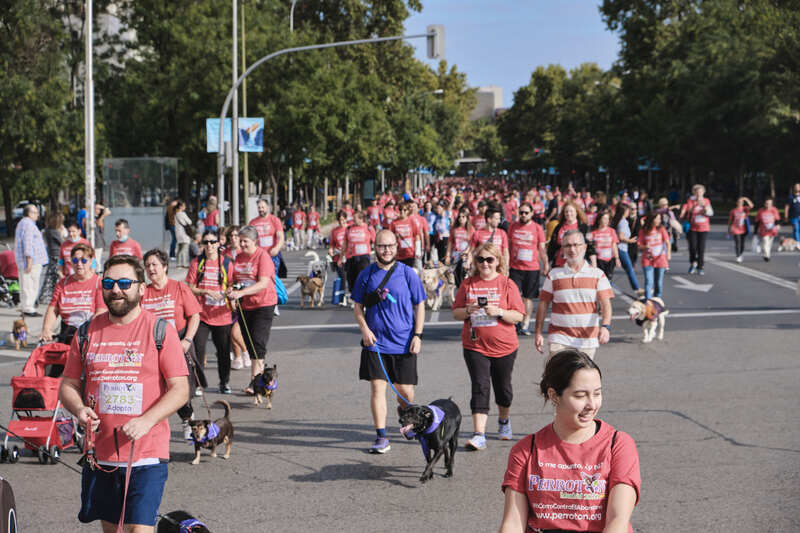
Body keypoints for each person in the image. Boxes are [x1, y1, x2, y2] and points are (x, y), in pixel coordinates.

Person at [59, 254, 189, 531]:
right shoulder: (85, 333)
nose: (116, 289)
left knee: (137, 529)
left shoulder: (160, 331)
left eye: (124, 282)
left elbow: (180, 390)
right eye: (109, 282)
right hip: (101, 453)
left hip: (147, 454)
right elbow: (68, 385)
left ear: (141, 288)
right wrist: (79, 409)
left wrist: (145, 421)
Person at [499, 350, 641, 533]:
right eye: (580, 396)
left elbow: (618, 521)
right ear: (554, 395)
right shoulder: (526, 450)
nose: (591, 405)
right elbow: (512, 523)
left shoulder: (618, 444)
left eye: (597, 394)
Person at [351, 229, 426, 454]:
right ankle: (381, 436)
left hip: (404, 342)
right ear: (374, 247)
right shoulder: (366, 275)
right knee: (377, 388)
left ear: (397, 247)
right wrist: (364, 330)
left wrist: (418, 335)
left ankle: (405, 414)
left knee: (406, 394)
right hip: (376, 343)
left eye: (391, 246)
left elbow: (420, 304)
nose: (387, 250)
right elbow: (357, 306)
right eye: (382, 246)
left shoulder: (407, 273)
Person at [453, 243, 524, 450]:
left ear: (498, 261)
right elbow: (456, 313)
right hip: (475, 346)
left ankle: (503, 421)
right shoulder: (468, 284)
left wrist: (499, 311)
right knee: (480, 386)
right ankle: (479, 434)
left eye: (489, 259)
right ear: (475, 262)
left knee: (503, 389)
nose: (485, 263)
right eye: (480, 259)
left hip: (505, 346)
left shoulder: (507, 284)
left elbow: (518, 315)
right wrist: (468, 310)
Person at [535, 230, 613, 360]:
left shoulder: (598, 275)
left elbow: (606, 305)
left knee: (581, 379)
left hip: (587, 340)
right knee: (560, 377)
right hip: (559, 337)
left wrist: (605, 327)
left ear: (585, 247)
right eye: (567, 245)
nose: (572, 249)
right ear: (563, 249)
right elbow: (543, 305)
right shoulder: (554, 275)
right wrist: (538, 332)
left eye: (576, 245)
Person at [227, 225, 277, 393]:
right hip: (245, 305)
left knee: (258, 343)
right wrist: (232, 292)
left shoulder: (263, 257)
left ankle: (256, 383)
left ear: (255, 241)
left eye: (245, 241)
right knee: (249, 343)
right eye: (240, 241)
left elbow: (263, 283)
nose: (241, 244)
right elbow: (234, 279)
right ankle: (261, 380)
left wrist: (241, 293)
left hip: (264, 303)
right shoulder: (239, 257)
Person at [185, 231, 235, 394]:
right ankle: (199, 384)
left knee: (223, 351)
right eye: (206, 242)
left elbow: (233, 285)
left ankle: (224, 382)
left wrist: (230, 293)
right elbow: (190, 287)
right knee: (198, 351)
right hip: (201, 314)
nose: (209, 245)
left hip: (223, 315)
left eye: (213, 242)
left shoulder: (227, 263)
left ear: (218, 244)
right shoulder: (197, 263)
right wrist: (206, 291)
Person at [40, 244, 106, 344]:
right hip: (67, 332)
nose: (79, 264)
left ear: (91, 261)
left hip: (90, 331)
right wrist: (46, 329)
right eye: (75, 260)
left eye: (83, 260)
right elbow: (53, 308)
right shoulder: (63, 283)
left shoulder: (99, 283)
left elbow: (101, 312)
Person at [507, 202, 548, 336]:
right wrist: (505, 263)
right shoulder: (513, 226)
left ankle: (525, 323)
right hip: (515, 267)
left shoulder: (537, 228)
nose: (523, 215)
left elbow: (541, 248)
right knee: (514, 295)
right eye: (521, 213)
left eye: (526, 213)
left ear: (531, 214)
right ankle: (516, 320)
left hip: (532, 268)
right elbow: (507, 246)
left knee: (528, 298)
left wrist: (546, 264)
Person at [14, 204, 48, 317]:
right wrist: (29, 261)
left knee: (27, 284)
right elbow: (28, 243)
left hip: (31, 261)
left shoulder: (24, 224)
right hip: (31, 262)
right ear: (29, 213)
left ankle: (26, 306)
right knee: (30, 285)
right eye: (35, 212)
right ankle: (28, 308)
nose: (37, 214)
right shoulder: (28, 225)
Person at [546, 201, 596, 269]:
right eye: (566, 211)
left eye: (571, 211)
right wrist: (547, 263)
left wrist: (594, 263)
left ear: (576, 212)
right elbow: (552, 246)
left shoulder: (583, 227)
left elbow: (590, 246)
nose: (569, 213)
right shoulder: (558, 227)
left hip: (578, 265)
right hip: (560, 264)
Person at [342, 212, 375, 304]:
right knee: (351, 278)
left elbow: (375, 241)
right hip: (351, 256)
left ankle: (363, 298)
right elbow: (345, 243)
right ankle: (354, 297)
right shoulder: (349, 228)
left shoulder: (368, 228)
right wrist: (341, 257)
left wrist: (377, 256)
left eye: (355, 218)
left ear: (361, 219)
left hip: (363, 256)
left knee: (362, 277)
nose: (353, 220)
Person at [679, 184, 713, 275]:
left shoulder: (706, 201)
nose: (699, 194)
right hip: (693, 227)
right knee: (692, 247)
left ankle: (700, 267)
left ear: (703, 192)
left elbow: (710, 213)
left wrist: (705, 206)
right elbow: (689, 211)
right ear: (694, 193)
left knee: (701, 248)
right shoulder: (691, 200)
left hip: (704, 227)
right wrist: (696, 204)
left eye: (700, 192)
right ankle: (693, 262)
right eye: (697, 192)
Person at [637, 212, 671, 300]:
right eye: (657, 218)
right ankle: (648, 302)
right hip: (648, 259)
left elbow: (667, 242)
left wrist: (668, 253)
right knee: (649, 281)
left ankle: (657, 299)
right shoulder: (643, 230)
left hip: (660, 259)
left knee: (658, 282)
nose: (659, 220)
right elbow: (639, 245)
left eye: (660, 219)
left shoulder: (662, 229)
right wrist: (645, 246)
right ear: (651, 219)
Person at [466, 205, 510, 270]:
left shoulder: (502, 233)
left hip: (498, 268)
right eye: (497, 219)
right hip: (483, 268)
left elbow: (505, 252)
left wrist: (506, 266)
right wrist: (468, 262)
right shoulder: (477, 233)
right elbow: (471, 251)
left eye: (499, 219)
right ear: (489, 220)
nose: (499, 221)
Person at [611, 205, 642, 295]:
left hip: (618, 248)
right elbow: (620, 237)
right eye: (628, 210)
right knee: (629, 269)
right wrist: (630, 241)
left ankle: (607, 284)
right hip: (621, 248)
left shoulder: (618, 221)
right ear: (624, 212)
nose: (629, 212)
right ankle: (637, 289)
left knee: (611, 270)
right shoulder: (623, 222)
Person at [444, 207, 474, 288]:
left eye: (463, 217)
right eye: (459, 217)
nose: (461, 218)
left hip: (465, 256)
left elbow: (472, 244)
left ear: (467, 218)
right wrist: (447, 256)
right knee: (456, 275)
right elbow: (450, 243)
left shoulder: (471, 229)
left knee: (464, 274)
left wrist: (467, 252)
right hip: (455, 254)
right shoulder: (454, 229)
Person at [588, 210, 620, 283]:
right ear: (599, 220)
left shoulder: (612, 231)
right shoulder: (593, 232)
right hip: (598, 260)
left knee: (608, 279)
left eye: (607, 219)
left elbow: (614, 245)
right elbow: (590, 248)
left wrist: (617, 258)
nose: (606, 221)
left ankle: (608, 293)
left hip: (610, 260)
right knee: (600, 280)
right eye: (604, 218)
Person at [390, 202, 423, 268]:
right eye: (400, 209)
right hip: (399, 254)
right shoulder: (393, 223)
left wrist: (418, 251)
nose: (402, 212)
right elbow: (390, 237)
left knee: (409, 273)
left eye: (404, 210)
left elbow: (417, 236)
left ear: (408, 211)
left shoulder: (412, 221)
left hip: (410, 253)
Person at [728, 197, 754, 263]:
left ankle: (740, 254)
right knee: (737, 243)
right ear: (736, 203)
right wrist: (729, 229)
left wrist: (745, 199)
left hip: (744, 229)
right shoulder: (733, 211)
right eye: (739, 202)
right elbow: (730, 221)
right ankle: (738, 256)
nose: (740, 203)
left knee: (742, 244)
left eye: (741, 202)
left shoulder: (745, 209)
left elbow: (751, 206)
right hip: (735, 229)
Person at [755, 197, 780, 262]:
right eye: (767, 203)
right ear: (764, 204)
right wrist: (755, 231)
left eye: (769, 204)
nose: (768, 205)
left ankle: (767, 253)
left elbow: (777, 219)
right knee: (765, 242)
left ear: (771, 204)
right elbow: (757, 221)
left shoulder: (774, 210)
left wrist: (777, 225)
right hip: (764, 230)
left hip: (772, 230)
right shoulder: (760, 211)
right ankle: (767, 256)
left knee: (769, 243)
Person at [172, 201, 192, 268]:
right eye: (184, 206)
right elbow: (189, 221)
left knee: (180, 249)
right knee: (184, 248)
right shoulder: (182, 214)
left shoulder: (176, 214)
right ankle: (184, 264)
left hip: (178, 233)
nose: (185, 207)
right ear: (180, 206)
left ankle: (178, 264)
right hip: (184, 233)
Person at [94, 203, 110, 268]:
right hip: (92, 241)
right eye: (96, 209)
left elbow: (99, 224)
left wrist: (103, 210)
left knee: (97, 261)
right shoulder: (89, 217)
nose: (98, 210)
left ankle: (98, 273)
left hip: (98, 243)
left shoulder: (100, 219)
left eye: (99, 209)